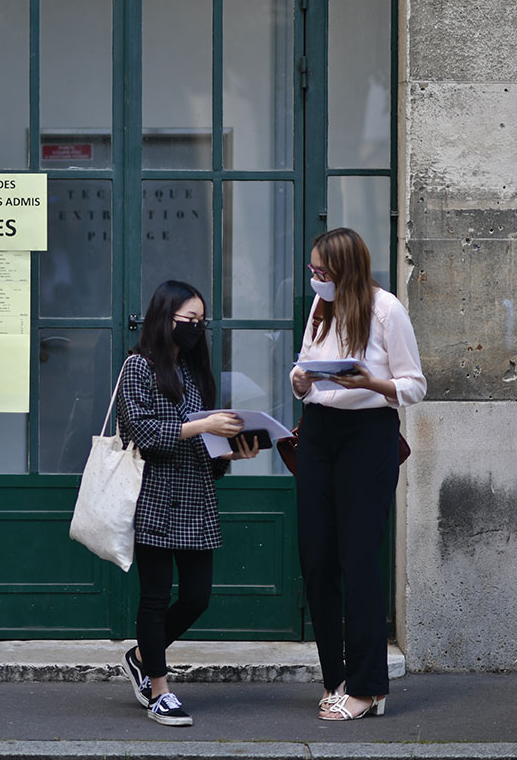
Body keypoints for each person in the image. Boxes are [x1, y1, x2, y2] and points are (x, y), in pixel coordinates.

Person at [289, 228, 426, 722]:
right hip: (320, 432)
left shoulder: (386, 309)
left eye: (322, 272)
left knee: (359, 557)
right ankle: (336, 679)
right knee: (317, 557)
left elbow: (415, 384)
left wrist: (373, 381)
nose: (315, 279)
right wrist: (300, 379)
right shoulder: (321, 309)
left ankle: (369, 686)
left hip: (368, 433)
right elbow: (305, 368)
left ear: (345, 270)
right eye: (312, 271)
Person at [116, 279, 259, 727]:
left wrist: (232, 453)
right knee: (156, 598)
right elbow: (142, 432)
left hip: (196, 496)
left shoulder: (195, 373)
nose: (196, 329)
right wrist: (201, 427)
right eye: (188, 321)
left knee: (197, 598)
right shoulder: (138, 366)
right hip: (155, 496)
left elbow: (204, 448)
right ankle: (159, 689)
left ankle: (140, 656)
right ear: (165, 318)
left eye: (201, 322)